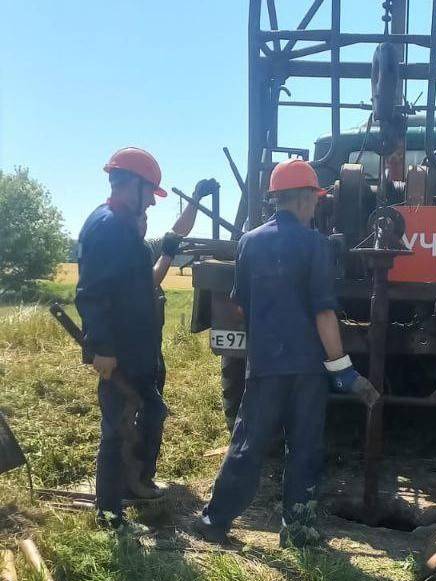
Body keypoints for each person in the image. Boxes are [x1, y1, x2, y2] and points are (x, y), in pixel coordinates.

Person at [194, 158, 378, 546]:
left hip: (264, 365)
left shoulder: (248, 242)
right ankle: (297, 529)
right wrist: (344, 371)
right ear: (306, 199)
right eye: (315, 199)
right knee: (305, 445)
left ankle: (216, 520)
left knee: (248, 442)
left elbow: (241, 305)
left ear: (277, 198)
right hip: (308, 367)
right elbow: (324, 313)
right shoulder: (315, 244)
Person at [76, 147, 171, 531]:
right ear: (132, 185)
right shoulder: (108, 227)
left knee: (149, 413)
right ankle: (110, 514)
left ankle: (134, 485)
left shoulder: (122, 226)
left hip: (136, 351)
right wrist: (102, 348)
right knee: (116, 429)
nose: (151, 200)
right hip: (118, 353)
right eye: (150, 192)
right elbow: (92, 293)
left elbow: (132, 287)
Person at [134, 179, 211, 494]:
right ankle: (134, 480)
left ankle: (142, 475)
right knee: (141, 414)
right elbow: (148, 284)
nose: (145, 220)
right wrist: (167, 255)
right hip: (134, 351)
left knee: (152, 412)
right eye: (140, 218)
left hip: (152, 350)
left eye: (146, 219)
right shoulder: (126, 255)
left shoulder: (144, 248)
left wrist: (194, 199)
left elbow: (176, 234)